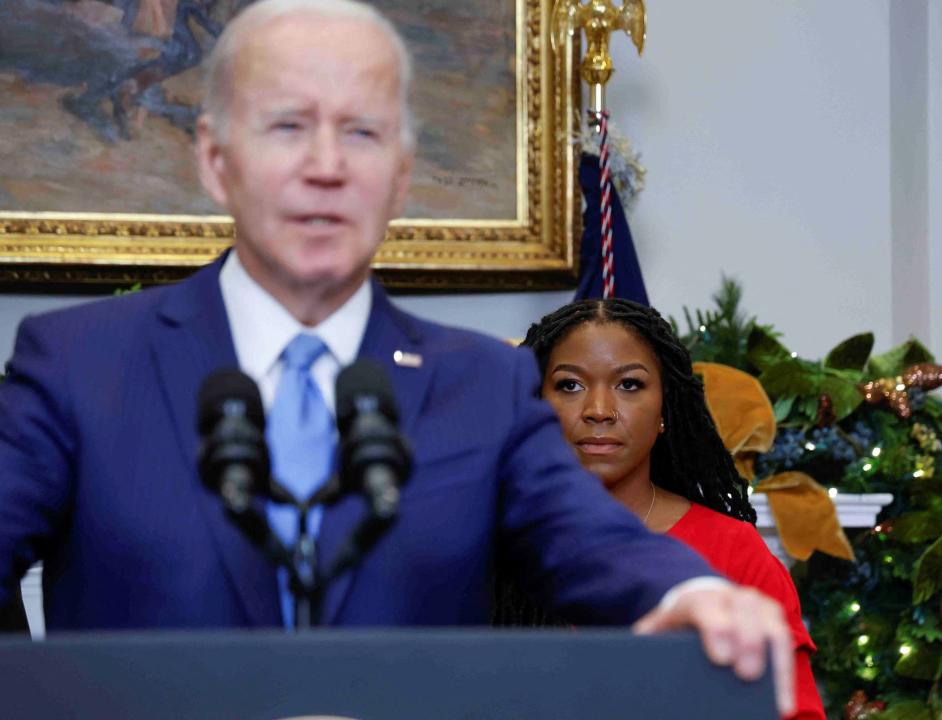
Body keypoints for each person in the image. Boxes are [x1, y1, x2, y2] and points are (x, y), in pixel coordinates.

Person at [0, 1, 793, 714]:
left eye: (362, 132)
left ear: (401, 173)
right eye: (285, 125)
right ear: (215, 160)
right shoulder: (79, 364)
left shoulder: (480, 385)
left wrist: (693, 590)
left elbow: (589, 539)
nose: (326, 164)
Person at [504, 297, 823, 720]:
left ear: (664, 410)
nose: (598, 410)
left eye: (629, 385)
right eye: (570, 385)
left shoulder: (734, 551)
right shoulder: (489, 541)